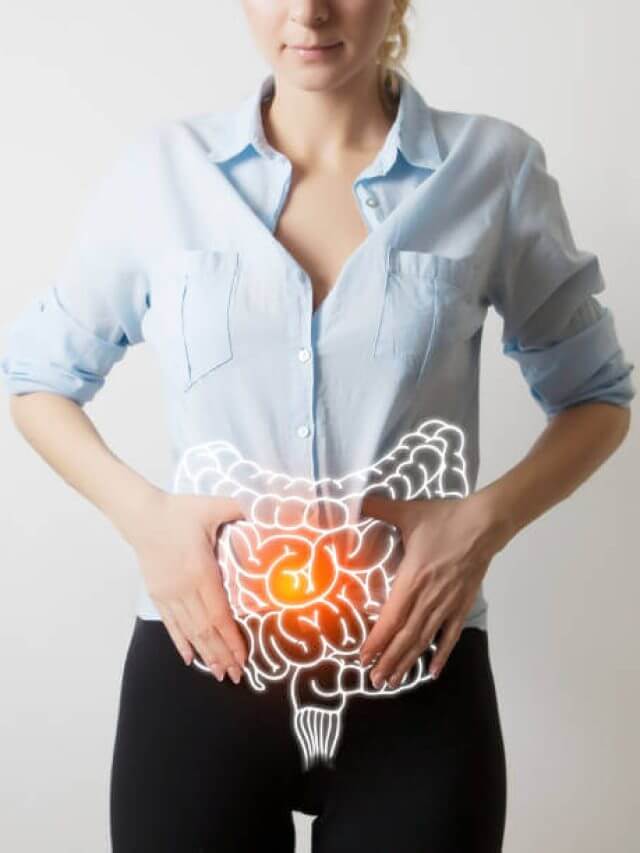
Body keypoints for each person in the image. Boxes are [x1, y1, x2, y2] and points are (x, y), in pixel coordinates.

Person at [1, 1, 635, 851]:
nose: (309, 10)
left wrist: (484, 522)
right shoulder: (162, 173)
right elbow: (38, 379)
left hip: (420, 669)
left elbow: (596, 394)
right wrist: (147, 521)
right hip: (201, 663)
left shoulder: (494, 169)